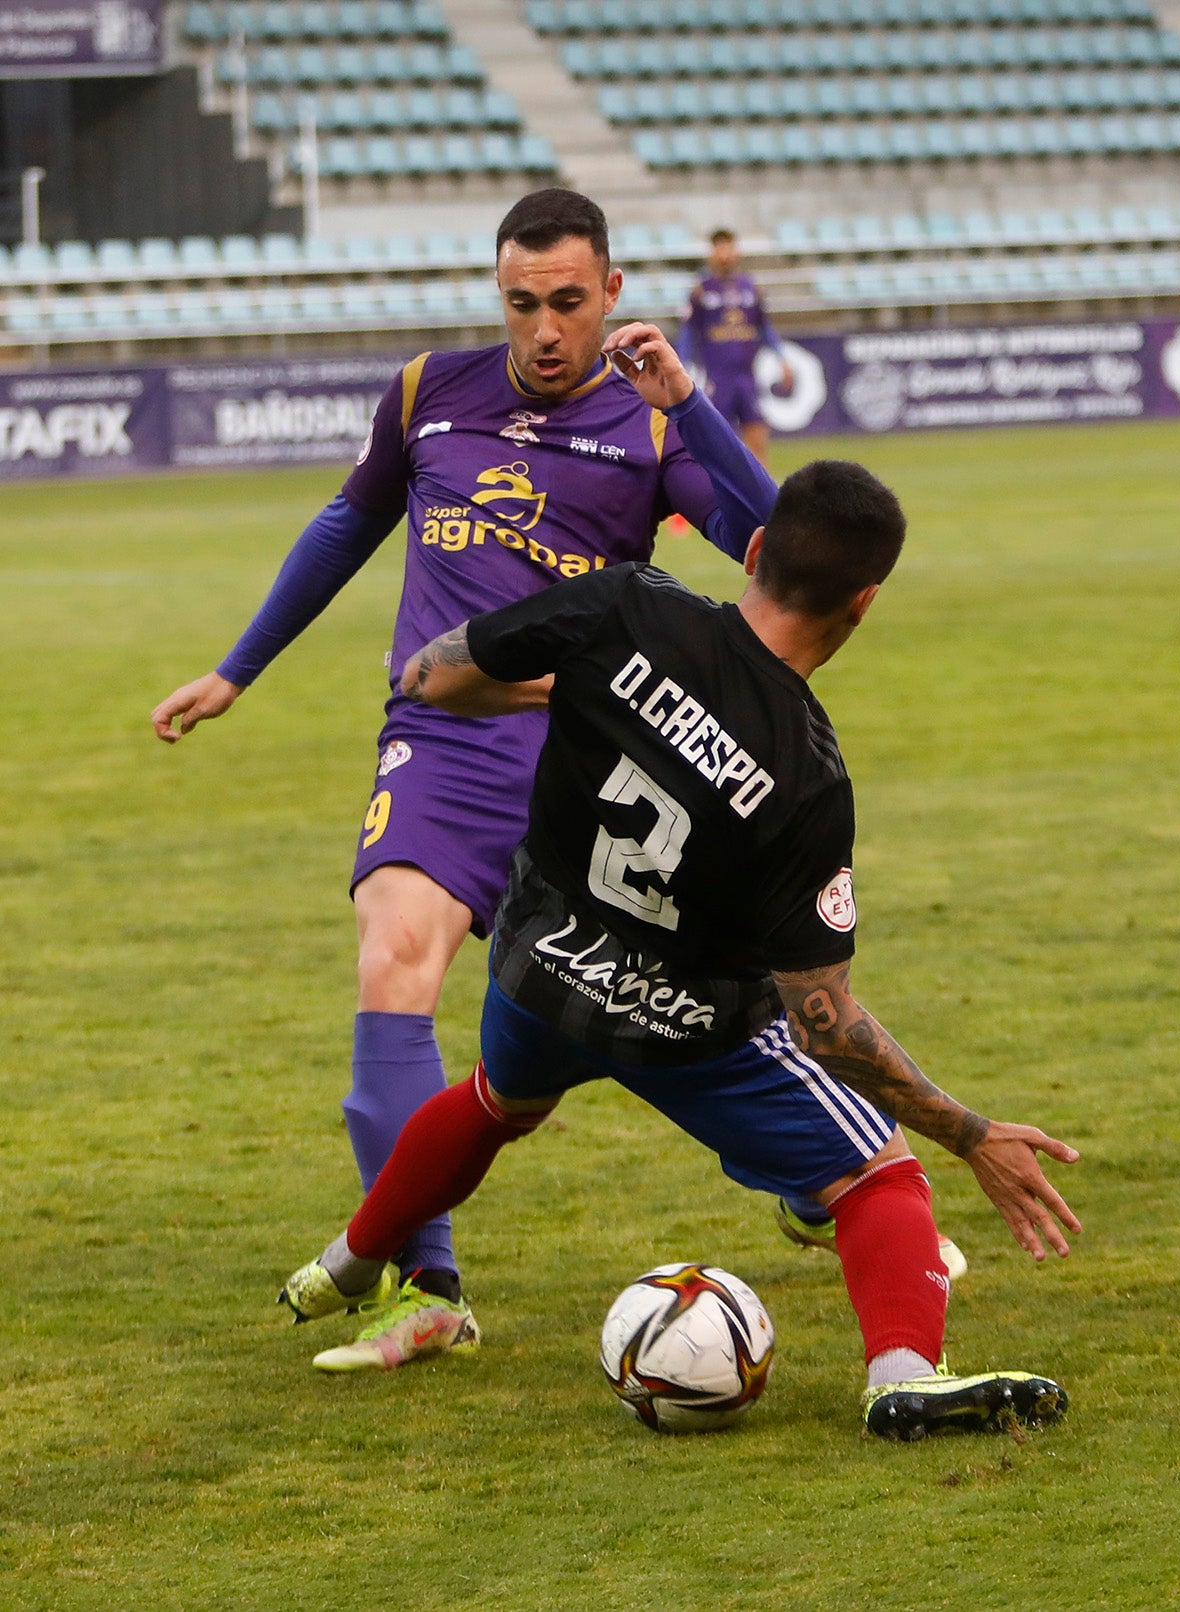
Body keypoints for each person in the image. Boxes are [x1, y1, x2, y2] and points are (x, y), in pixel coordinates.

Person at [280, 323, 1080, 1441]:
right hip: (687, 1028)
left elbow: (432, 670)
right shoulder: (809, 774)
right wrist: (969, 1127)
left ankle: (354, 1257)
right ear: (864, 604)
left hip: (536, 969)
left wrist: (550, 691)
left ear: (753, 556)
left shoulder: (620, 607)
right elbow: (826, 1017)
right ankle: (900, 1370)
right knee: (879, 1179)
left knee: (494, 1102)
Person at [150, 190, 778, 1357]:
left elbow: (776, 551)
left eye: (569, 304)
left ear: (614, 296)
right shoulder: (430, 390)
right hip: (441, 738)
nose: (544, 330)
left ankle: (817, 1170)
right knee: (393, 961)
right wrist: (239, 669)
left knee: (680, 1002)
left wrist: (689, 407)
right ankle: (428, 1286)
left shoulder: (646, 427)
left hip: (593, 754)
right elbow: (347, 525)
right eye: (522, 304)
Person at [676, 228, 794, 469]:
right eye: (719, 247)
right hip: (718, 378)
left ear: (736, 250)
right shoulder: (701, 290)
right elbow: (689, 332)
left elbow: (764, 328)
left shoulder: (751, 288)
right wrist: (681, 364)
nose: (725, 253)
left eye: (728, 246)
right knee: (717, 444)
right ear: (712, 253)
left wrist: (782, 359)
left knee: (758, 438)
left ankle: (764, 501)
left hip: (748, 377)